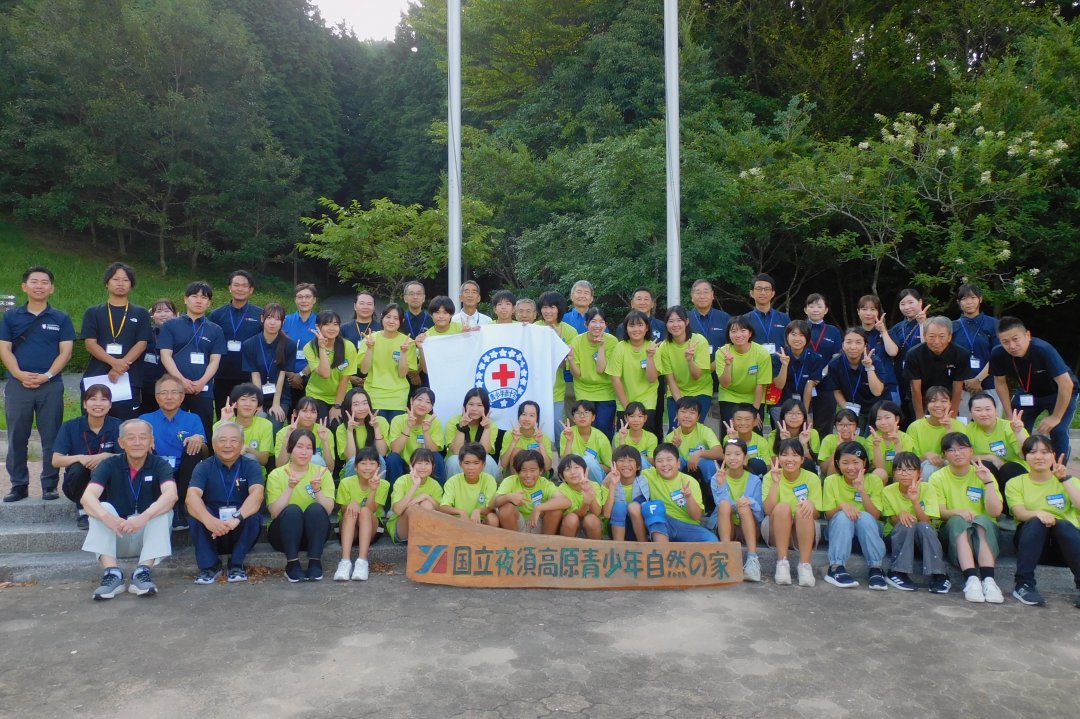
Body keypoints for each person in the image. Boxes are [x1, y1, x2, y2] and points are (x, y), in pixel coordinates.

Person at [0, 266, 75, 502]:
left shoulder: (61, 318)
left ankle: (49, 485)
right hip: (18, 385)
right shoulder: (11, 317)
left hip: (50, 385)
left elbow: (66, 352)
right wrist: (19, 374)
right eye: (34, 281)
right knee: (17, 437)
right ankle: (18, 485)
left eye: (45, 282)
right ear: (24, 286)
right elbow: (4, 349)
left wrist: (48, 375)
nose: (39, 286)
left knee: (51, 437)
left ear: (51, 288)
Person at [80, 418, 177, 600]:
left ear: (151, 441)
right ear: (121, 442)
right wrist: (106, 517)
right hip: (118, 534)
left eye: (143, 437)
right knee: (100, 507)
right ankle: (112, 574)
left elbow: (171, 495)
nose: (137, 442)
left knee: (163, 508)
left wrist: (144, 517)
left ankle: (142, 572)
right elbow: (87, 497)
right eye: (131, 438)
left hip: (147, 538)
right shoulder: (109, 464)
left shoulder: (160, 464)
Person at [929, 432, 1005, 603]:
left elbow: (995, 512)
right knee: (959, 521)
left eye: (962, 448)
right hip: (953, 530)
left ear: (971, 451)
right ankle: (971, 580)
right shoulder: (937, 478)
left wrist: (988, 482)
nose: (957, 453)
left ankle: (989, 580)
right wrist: (958, 512)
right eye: (951, 450)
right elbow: (939, 511)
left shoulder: (984, 473)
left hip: (984, 530)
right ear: (944, 455)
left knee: (981, 521)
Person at [185, 422, 265, 584]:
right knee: (196, 511)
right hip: (212, 531)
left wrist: (236, 518)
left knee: (253, 514)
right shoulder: (203, 467)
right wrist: (209, 520)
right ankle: (210, 566)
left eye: (234, 440)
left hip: (239, 528)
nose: (228, 445)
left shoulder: (251, 465)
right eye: (222, 440)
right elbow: (191, 497)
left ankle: (236, 564)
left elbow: (257, 495)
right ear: (214, 444)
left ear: (242, 444)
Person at [1005, 435, 1080, 607]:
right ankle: (1023, 584)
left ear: (1053, 455)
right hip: (1032, 543)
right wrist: (1039, 513)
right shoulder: (1015, 483)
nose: (1039, 456)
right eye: (1032, 452)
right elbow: (1019, 513)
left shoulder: (1070, 481)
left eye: (1045, 452)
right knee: (1036, 522)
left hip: (1066, 548)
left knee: (1064, 525)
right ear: (1025, 457)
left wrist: (1064, 480)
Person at [991, 316, 1078, 461]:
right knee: (1015, 427)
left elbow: (1066, 384)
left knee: (1058, 430)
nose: (1011, 346)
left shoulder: (1043, 349)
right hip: (1028, 393)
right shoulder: (998, 354)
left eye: (1015, 339)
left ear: (1027, 335)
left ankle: (1058, 469)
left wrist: (1055, 417)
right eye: (1005, 342)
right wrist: (1009, 414)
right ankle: (1022, 465)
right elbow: (1000, 382)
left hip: (1059, 392)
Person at [80, 262, 151, 420]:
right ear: (107, 283)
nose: (120, 283)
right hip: (97, 377)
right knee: (93, 423)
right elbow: (90, 344)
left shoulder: (140, 313)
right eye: (115, 279)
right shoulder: (93, 312)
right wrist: (114, 363)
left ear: (131, 285)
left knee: (125, 426)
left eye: (125, 280)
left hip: (128, 379)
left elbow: (142, 344)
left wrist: (120, 367)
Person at [265, 428, 335, 582]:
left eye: (309, 448)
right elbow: (274, 512)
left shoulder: (322, 472)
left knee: (316, 509)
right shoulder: (277, 474)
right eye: (299, 446)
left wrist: (317, 490)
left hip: (313, 536)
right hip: (283, 535)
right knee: (292, 511)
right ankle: (292, 564)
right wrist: (290, 488)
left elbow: (328, 510)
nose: (304, 452)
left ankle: (315, 562)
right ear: (290, 448)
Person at [157, 281, 225, 439]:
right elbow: (165, 355)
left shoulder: (215, 330)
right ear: (185, 299)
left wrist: (202, 382)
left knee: (203, 430)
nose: (199, 300)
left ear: (209, 303)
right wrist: (180, 380)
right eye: (194, 296)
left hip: (203, 389)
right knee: (173, 429)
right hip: (174, 388)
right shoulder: (170, 326)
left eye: (204, 297)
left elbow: (215, 361)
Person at [140, 374, 207, 529]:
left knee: (194, 449)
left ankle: (180, 504)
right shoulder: (145, 419)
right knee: (142, 447)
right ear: (157, 397)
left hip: (184, 469)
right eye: (164, 393)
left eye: (174, 392)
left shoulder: (193, 419)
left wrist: (198, 440)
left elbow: (205, 450)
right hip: (157, 467)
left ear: (182, 396)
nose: (169, 397)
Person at [820, 441, 887, 590]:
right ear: (837, 463)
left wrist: (862, 491)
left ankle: (876, 568)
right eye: (845, 463)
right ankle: (836, 567)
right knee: (843, 516)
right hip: (840, 534)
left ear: (864, 462)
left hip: (868, 534)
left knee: (866, 517)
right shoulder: (831, 481)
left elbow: (875, 515)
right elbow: (828, 515)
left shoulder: (874, 480)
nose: (851, 467)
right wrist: (841, 506)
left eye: (856, 462)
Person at [880, 451, 950, 593]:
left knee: (923, 526)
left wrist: (915, 501)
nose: (904, 473)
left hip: (921, 540)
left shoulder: (928, 488)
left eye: (910, 469)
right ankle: (897, 572)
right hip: (896, 538)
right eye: (899, 469)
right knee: (907, 523)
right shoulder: (887, 491)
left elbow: (926, 521)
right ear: (894, 473)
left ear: (919, 472)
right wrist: (900, 515)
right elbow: (891, 520)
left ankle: (940, 574)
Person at [53, 385, 121, 529]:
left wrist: (106, 455)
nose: (98, 404)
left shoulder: (118, 425)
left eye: (104, 399)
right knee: (78, 468)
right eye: (93, 399)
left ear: (110, 405)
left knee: (112, 465)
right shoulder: (70, 426)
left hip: (108, 484)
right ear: (84, 404)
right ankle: (83, 511)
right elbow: (56, 460)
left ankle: (109, 507)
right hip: (76, 485)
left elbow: (128, 456)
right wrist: (80, 458)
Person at [762, 438, 821, 587]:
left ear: (802, 459)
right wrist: (775, 483)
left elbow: (817, 514)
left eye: (795, 455)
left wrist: (810, 505)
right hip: (776, 531)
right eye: (785, 454)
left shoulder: (812, 478)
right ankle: (782, 563)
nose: (789, 459)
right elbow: (768, 510)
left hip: (802, 533)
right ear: (778, 457)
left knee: (803, 509)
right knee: (783, 507)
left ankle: (805, 565)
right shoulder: (770, 476)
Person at [636, 443, 718, 543]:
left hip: (688, 526)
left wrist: (689, 497)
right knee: (653, 508)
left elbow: (696, 516)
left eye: (669, 459)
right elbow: (631, 469)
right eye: (660, 461)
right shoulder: (649, 474)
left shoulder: (690, 481)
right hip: (664, 522)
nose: (664, 464)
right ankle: (662, 549)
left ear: (678, 463)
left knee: (712, 540)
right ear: (655, 464)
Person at [707, 438, 764, 581]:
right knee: (725, 504)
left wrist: (749, 502)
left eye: (737, 454)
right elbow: (721, 505)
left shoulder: (754, 480)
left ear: (745, 457)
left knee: (744, 507)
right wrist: (721, 485)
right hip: (727, 526)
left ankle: (752, 559)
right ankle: (726, 556)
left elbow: (760, 513)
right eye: (728, 454)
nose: (732, 458)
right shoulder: (716, 478)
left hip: (748, 527)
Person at [208, 270, 262, 417]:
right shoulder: (217, 314)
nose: (240, 289)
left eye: (244, 286)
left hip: (249, 375)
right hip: (222, 374)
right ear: (230, 288)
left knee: (246, 417)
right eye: (236, 285)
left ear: (251, 290)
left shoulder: (260, 315)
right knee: (224, 415)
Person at [333, 446, 390, 581]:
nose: (367, 467)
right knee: (350, 510)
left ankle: (362, 562)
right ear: (355, 467)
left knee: (364, 511)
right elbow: (342, 511)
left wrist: (373, 490)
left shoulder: (384, 484)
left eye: (372, 463)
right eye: (363, 463)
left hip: (371, 528)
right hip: (348, 528)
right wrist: (351, 504)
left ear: (378, 466)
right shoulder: (345, 483)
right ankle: (345, 562)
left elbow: (371, 510)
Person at [965, 393, 1029, 505]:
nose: (984, 414)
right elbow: (962, 456)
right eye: (978, 410)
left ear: (996, 410)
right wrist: (991, 458)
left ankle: (1012, 509)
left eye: (988, 409)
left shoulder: (1010, 426)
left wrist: (1018, 432)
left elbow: (1026, 455)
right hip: (988, 473)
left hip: (1014, 472)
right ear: (970, 413)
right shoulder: (967, 430)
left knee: (1009, 468)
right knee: (982, 465)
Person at [358, 303, 417, 421]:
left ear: (401, 321)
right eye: (388, 317)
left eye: (396, 318)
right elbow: (364, 370)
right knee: (378, 429)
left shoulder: (407, 342)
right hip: (374, 394)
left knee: (396, 429)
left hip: (398, 395)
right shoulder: (369, 339)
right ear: (382, 317)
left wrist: (403, 353)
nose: (391, 321)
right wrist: (370, 348)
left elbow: (403, 374)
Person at [904, 316, 970, 418]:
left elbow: (957, 387)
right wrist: (919, 416)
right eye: (932, 336)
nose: (937, 341)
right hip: (921, 398)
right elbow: (915, 388)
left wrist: (952, 414)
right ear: (924, 336)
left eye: (942, 336)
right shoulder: (913, 354)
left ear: (949, 337)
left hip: (947, 399)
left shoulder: (961, 354)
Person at [608, 310, 664, 429]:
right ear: (626, 328)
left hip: (647, 403)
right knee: (624, 438)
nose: (636, 329)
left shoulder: (653, 347)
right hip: (624, 402)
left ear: (647, 328)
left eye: (640, 325)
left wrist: (650, 357)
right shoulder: (620, 347)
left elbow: (652, 379)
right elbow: (615, 379)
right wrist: (627, 407)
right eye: (631, 325)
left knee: (645, 438)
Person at [242, 302, 293, 433]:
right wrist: (258, 404)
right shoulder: (249, 344)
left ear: (283, 322)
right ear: (262, 318)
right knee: (255, 429)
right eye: (269, 317)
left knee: (273, 428)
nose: (272, 322)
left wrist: (276, 404)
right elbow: (255, 375)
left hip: (280, 396)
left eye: (277, 319)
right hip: (256, 394)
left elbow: (281, 375)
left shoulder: (289, 345)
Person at [568, 307, 618, 438]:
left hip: (606, 392)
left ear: (605, 325)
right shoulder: (577, 341)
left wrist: (601, 346)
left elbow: (601, 370)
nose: (597, 325)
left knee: (603, 429)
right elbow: (576, 374)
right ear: (586, 324)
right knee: (585, 429)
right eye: (593, 321)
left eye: (601, 322)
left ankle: (604, 452)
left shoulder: (612, 341)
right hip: (583, 391)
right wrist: (571, 359)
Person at [717, 315, 773, 432]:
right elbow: (725, 384)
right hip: (729, 395)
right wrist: (728, 365)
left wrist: (755, 411)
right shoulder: (722, 352)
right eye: (734, 331)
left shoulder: (762, 353)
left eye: (743, 330)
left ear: (750, 333)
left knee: (754, 431)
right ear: (728, 334)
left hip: (754, 397)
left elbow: (761, 385)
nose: (738, 335)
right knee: (730, 432)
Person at [660, 306, 712, 430]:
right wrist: (681, 406)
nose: (675, 325)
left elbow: (696, 376)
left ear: (686, 322)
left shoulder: (699, 341)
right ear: (666, 324)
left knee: (694, 427)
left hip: (700, 391)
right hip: (677, 392)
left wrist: (689, 360)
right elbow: (670, 380)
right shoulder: (664, 347)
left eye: (679, 320)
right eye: (671, 321)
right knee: (676, 427)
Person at [822, 327, 885, 429]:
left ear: (865, 345)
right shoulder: (835, 364)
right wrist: (848, 411)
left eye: (858, 342)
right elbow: (837, 391)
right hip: (851, 408)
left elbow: (877, 392)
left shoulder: (875, 361)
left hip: (876, 409)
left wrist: (869, 368)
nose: (853, 347)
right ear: (843, 345)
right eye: (848, 342)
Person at [952, 284, 1000, 416]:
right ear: (958, 302)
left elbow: (998, 356)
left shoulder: (994, 324)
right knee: (963, 425)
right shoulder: (952, 326)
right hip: (962, 387)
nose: (969, 302)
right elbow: (949, 357)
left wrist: (978, 379)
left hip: (990, 384)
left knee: (991, 423)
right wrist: (965, 381)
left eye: (973, 298)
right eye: (964, 299)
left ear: (980, 299)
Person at [302, 310, 357, 423]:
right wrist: (322, 348)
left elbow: (345, 380)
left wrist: (337, 406)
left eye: (335, 324)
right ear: (318, 327)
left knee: (336, 424)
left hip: (341, 395)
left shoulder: (348, 347)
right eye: (327, 324)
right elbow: (325, 374)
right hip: (317, 394)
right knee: (321, 425)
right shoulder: (310, 347)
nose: (332, 328)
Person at [495, 449, 566, 535]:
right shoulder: (510, 481)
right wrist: (508, 497)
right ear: (517, 471)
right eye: (523, 470)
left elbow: (565, 501)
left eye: (533, 470)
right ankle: (514, 540)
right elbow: (494, 502)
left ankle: (546, 540)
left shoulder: (545, 483)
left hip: (539, 523)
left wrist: (539, 508)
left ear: (541, 471)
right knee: (506, 508)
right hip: (517, 525)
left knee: (555, 509)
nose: (528, 475)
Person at [386, 387, 446, 484]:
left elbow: (433, 450)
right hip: (403, 464)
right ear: (411, 401)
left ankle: (438, 492)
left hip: (424, 465)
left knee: (437, 457)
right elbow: (395, 450)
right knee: (392, 458)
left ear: (431, 407)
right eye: (419, 399)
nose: (422, 404)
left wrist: (425, 431)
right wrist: (408, 426)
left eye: (428, 402)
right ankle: (393, 493)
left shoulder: (434, 422)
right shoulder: (398, 420)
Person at [536, 291, 577, 433]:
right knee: (537, 424)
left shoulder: (570, 331)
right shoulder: (534, 328)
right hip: (536, 387)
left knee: (557, 423)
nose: (548, 311)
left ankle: (563, 448)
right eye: (544, 307)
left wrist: (556, 341)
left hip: (557, 388)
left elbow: (564, 365)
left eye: (552, 307)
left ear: (559, 309)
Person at [665, 397, 725, 492]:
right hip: (681, 471)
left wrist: (699, 454)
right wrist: (674, 447)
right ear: (676, 414)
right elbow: (665, 462)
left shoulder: (705, 431)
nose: (687, 416)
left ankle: (711, 492)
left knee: (708, 463)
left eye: (692, 413)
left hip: (700, 467)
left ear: (698, 417)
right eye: (683, 412)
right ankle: (674, 490)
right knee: (673, 460)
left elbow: (720, 453)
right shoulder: (670, 437)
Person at [889, 288, 930, 426]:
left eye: (910, 302)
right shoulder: (897, 328)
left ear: (920, 302)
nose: (907, 307)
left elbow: (927, 346)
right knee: (902, 416)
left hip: (923, 376)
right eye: (902, 304)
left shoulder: (931, 324)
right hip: (901, 377)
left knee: (920, 414)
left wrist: (922, 324)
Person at [803, 294, 843, 436]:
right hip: (803, 382)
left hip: (827, 383)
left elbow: (836, 356)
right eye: (811, 306)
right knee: (803, 422)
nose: (815, 309)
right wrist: (811, 377)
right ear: (805, 309)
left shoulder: (833, 331)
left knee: (824, 425)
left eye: (819, 306)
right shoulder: (799, 328)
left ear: (825, 310)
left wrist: (821, 374)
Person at [907, 385, 966, 480]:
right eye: (933, 401)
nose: (938, 405)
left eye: (943, 401)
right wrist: (926, 456)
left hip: (952, 465)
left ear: (950, 403)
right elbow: (909, 460)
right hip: (924, 468)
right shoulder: (915, 427)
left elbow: (962, 455)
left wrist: (949, 430)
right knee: (929, 467)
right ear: (926, 404)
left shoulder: (959, 425)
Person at [386, 448, 443, 543]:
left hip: (424, 531)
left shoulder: (435, 485)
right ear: (411, 465)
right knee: (414, 508)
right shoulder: (402, 481)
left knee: (426, 503)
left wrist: (426, 496)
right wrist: (415, 486)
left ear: (433, 466)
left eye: (427, 463)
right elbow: (398, 510)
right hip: (401, 529)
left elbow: (440, 510)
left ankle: (422, 542)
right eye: (419, 463)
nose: (423, 467)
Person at [214, 383, 274, 470]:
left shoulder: (266, 425)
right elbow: (218, 455)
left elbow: (264, 460)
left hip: (252, 473)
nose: (248, 404)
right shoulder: (220, 425)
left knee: (249, 457)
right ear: (235, 404)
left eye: (253, 400)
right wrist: (224, 422)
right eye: (243, 399)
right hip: (225, 471)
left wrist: (247, 448)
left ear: (258, 406)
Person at [445, 388, 500, 479]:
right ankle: (453, 488)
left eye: (479, 405)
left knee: (489, 461)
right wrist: (462, 427)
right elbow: (457, 451)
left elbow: (485, 451)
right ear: (464, 406)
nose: (474, 409)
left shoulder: (491, 425)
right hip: (459, 459)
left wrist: (486, 429)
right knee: (454, 461)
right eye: (471, 404)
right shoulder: (454, 421)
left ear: (486, 408)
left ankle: (490, 487)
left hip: (478, 460)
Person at [855, 295, 900, 404]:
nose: (868, 313)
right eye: (864, 309)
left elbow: (893, 352)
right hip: (862, 388)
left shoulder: (887, 333)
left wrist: (883, 331)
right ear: (858, 312)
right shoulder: (854, 335)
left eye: (873, 309)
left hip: (888, 386)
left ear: (878, 312)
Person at [774, 320, 824, 418]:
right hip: (781, 403)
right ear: (787, 336)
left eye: (802, 335)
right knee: (783, 426)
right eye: (793, 334)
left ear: (807, 338)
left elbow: (809, 385)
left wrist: (804, 413)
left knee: (805, 425)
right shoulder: (778, 356)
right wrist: (784, 365)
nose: (797, 338)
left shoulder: (815, 358)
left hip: (804, 403)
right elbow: (779, 385)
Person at [439, 443, 499, 525]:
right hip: (459, 522)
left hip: (481, 523)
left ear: (483, 464)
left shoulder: (489, 480)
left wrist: (478, 511)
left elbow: (491, 508)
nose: (471, 467)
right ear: (460, 464)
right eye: (467, 463)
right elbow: (443, 507)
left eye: (476, 463)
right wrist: (461, 512)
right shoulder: (452, 482)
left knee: (493, 518)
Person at [335, 388, 389, 477]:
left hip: (374, 471)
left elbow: (382, 453)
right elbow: (350, 458)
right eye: (356, 404)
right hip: (352, 472)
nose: (362, 408)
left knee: (379, 459)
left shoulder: (380, 421)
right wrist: (349, 431)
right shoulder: (342, 428)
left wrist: (376, 428)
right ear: (348, 407)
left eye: (365, 403)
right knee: (353, 461)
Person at [274, 397, 336, 473]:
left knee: (315, 459)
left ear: (317, 415)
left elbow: (330, 468)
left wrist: (325, 441)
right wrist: (287, 438)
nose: (308, 415)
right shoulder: (283, 433)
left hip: (317, 477)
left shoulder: (325, 432)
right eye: (304, 411)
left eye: (313, 412)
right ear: (295, 413)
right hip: (291, 476)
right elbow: (279, 466)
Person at [554, 454, 609, 539]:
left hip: (590, 527)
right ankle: (567, 546)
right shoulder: (562, 489)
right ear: (562, 477)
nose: (573, 472)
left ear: (585, 470)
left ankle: (595, 546)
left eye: (576, 467)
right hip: (571, 528)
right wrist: (585, 503)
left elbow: (597, 512)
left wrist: (589, 491)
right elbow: (576, 516)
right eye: (567, 469)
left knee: (591, 519)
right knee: (572, 518)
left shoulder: (593, 485)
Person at [138, 299, 177, 415]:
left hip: (171, 384)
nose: (163, 314)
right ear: (152, 315)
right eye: (158, 311)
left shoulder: (180, 334)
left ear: (175, 314)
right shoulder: (146, 332)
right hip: (147, 385)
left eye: (167, 311)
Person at [863, 400, 915, 482]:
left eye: (887, 417)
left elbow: (903, 466)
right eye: (878, 419)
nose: (883, 422)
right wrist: (876, 445)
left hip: (901, 476)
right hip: (881, 478)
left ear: (897, 419)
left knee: (904, 473)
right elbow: (880, 469)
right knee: (880, 473)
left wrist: (897, 443)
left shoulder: (906, 438)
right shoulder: (870, 439)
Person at [561, 400, 612, 483]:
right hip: (574, 477)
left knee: (588, 460)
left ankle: (597, 489)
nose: (582, 416)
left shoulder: (601, 437)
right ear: (573, 418)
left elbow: (610, 468)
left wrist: (590, 465)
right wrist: (569, 441)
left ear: (593, 417)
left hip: (596, 479)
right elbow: (564, 464)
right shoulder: (566, 433)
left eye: (586, 412)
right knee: (575, 458)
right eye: (578, 413)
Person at [605, 445, 649, 541]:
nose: (625, 464)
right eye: (621, 460)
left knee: (635, 506)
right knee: (619, 507)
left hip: (639, 525)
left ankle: (643, 543)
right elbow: (607, 514)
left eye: (630, 460)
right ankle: (618, 546)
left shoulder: (644, 481)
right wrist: (612, 485)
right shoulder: (608, 482)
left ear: (638, 466)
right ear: (614, 464)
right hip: (616, 525)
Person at [497, 399, 553, 474]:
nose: (527, 419)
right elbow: (503, 464)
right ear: (518, 416)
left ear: (537, 418)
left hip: (537, 478)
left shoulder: (543, 437)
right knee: (516, 451)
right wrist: (514, 441)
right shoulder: (509, 434)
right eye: (523, 414)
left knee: (537, 452)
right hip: (514, 476)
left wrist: (540, 443)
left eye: (531, 415)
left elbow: (548, 467)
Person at [282, 283, 317, 397]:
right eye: (300, 297)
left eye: (308, 297)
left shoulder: (321, 323)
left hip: (313, 377)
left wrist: (301, 374)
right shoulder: (285, 321)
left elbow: (323, 353)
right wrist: (291, 375)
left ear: (314, 300)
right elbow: (277, 349)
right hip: (285, 376)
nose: (304, 300)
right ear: (295, 300)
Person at [743, 273, 789, 354]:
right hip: (754, 361)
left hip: (780, 361)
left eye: (767, 289)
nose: (763, 292)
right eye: (759, 289)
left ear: (773, 293)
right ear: (752, 293)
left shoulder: (784, 318)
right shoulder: (744, 320)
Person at [720, 404, 771, 476]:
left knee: (756, 463)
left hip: (755, 477)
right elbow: (730, 462)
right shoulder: (728, 438)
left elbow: (767, 467)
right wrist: (735, 441)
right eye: (739, 419)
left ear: (755, 422)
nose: (743, 423)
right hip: (734, 475)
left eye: (747, 419)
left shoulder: (762, 441)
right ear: (732, 421)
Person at [769, 398, 819, 470]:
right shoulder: (773, 434)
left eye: (798, 413)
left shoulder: (812, 433)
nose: (794, 417)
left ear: (804, 417)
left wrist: (804, 445)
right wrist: (785, 443)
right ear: (783, 416)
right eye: (790, 413)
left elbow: (812, 464)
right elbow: (774, 464)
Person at [613, 401, 658, 469]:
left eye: (640, 416)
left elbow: (652, 461)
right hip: (625, 470)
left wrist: (635, 455)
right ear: (626, 418)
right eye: (632, 416)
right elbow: (619, 460)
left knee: (641, 460)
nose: (636, 420)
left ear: (645, 418)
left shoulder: (651, 437)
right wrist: (622, 439)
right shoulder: (618, 436)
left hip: (644, 472)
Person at [817, 409, 861, 477]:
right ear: (835, 427)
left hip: (855, 477)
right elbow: (823, 469)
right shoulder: (828, 439)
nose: (845, 428)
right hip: (832, 476)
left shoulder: (862, 441)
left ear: (856, 427)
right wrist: (837, 450)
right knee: (834, 464)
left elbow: (865, 467)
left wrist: (854, 447)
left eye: (850, 424)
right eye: (841, 424)